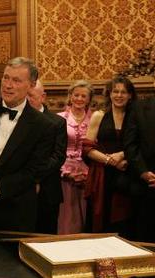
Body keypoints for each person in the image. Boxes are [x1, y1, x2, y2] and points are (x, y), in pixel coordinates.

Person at [0, 57, 54, 231]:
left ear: (32, 84)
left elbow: (32, 173)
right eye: (6, 77)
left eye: (16, 80)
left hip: (15, 212)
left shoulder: (44, 125)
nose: (8, 85)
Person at [83, 76, 135, 235]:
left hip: (129, 174)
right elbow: (87, 148)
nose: (119, 95)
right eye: (115, 91)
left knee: (126, 224)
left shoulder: (136, 116)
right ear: (109, 94)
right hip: (102, 176)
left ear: (130, 95)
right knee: (101, 223)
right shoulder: (99, 115)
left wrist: (122, 155)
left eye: (123, 92)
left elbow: (142, 144)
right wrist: (110, 160)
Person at [124, 62, 155, 243]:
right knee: (145, 237)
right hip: (143, 184)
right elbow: (130, 145)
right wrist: (143, 173)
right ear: (153, 82)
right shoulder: (137, 107)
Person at [27, 80, 67, 234]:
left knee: (46, 234)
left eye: (31, 96)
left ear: (43, 97)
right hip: (21, 190)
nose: (27, 99)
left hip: (47, 189)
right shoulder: (18, 119)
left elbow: (58, 157)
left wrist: (34, 177)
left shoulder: (57, 122)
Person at [57, 80, 93, 234]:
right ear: (70, 96)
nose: (79, 99)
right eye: (76, 95)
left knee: (86, 211)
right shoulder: (59, 118)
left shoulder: (95, 120)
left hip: (88, 171)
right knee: (67, 213)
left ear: (89, 99)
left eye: (83, 96)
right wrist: (65, 172)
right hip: (64, 170)